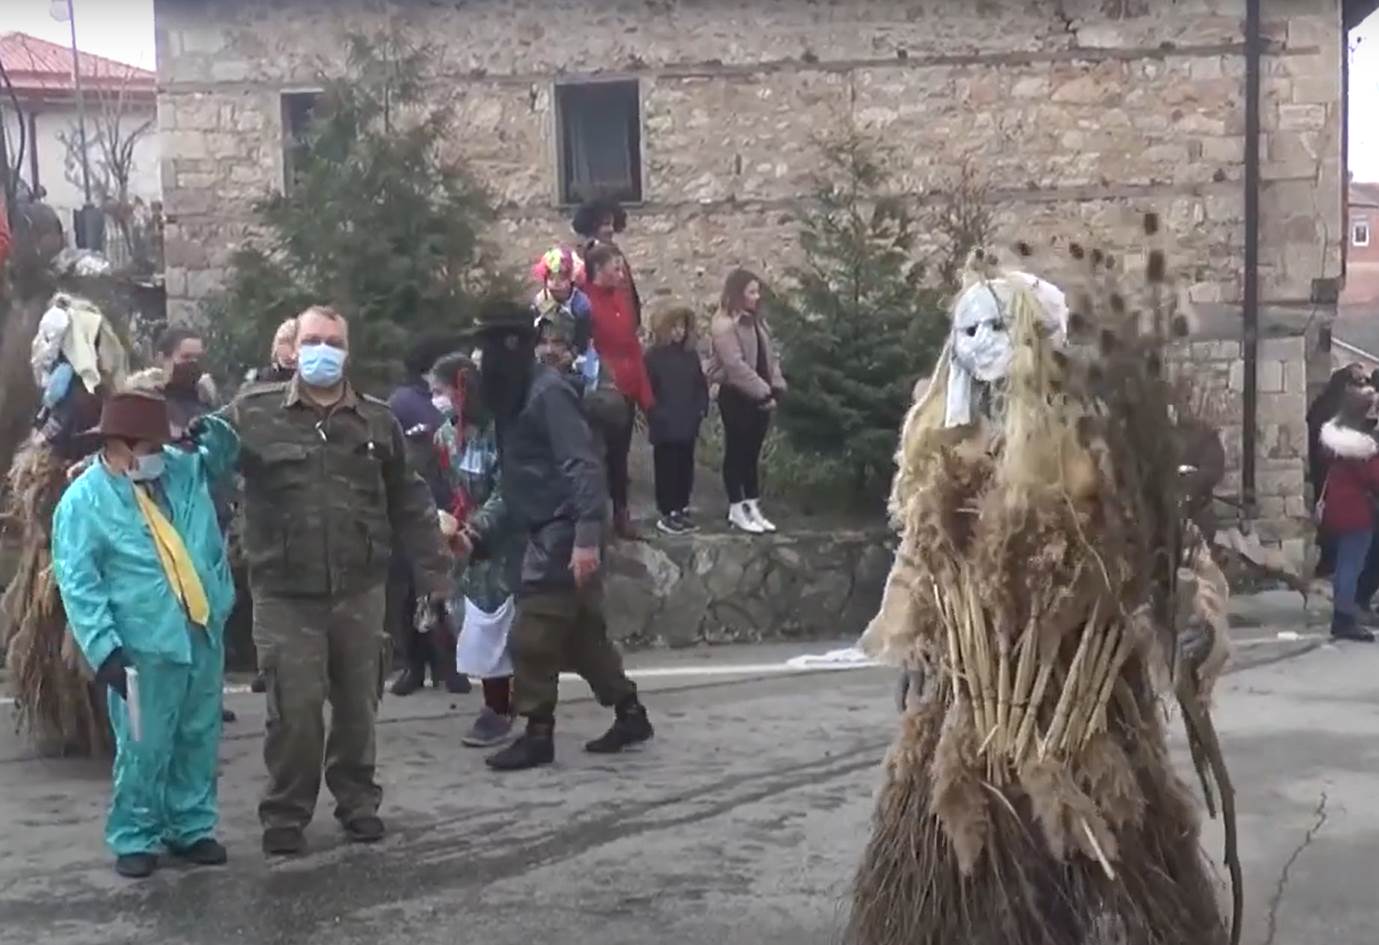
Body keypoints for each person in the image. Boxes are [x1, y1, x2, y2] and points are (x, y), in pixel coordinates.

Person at [222, 305, 452, 855]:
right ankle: (285, 812)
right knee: (294, 712)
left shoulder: (376, 421)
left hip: (359, 588)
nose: (322, 350)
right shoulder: (251, 414)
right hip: (284, 592)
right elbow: (199, 463)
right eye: (312, 340)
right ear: (293, 349)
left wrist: (434, 573)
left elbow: (410, 500)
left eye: (333, 341)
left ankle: (357, 803)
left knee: (357, 708)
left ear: (347, 352)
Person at [51, 391, 240, 878]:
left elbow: (222, 456)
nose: (159, 453)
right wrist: (104, 648)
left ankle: (191, 827)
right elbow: (78, 581)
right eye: (150, 445)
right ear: (120, 444)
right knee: (144, 744)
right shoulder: (83, 501)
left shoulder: (180, 470)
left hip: (200, 627)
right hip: (142, 642)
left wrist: (209, 431)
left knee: (199, 735)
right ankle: (135, 835)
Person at [473, 302, 653, 772]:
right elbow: (518, 478)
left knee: (533, 635)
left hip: (564, 530)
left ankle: (538, 734)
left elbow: (582, 466)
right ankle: (630, 713)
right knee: (580, 637)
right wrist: (483, 533)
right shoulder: (513, 395)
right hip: (545, 526)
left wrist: (587, 539)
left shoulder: (546, 393)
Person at [431, 352, 522, 747]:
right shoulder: (446, 436)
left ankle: (503, 709)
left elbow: (508, 491)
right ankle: (499, 704)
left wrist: (478, 528)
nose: (438, 399)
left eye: (442, 391)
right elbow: (450, 487)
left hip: (504, 542)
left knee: (498, 626)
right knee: (477, 625)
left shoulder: (503, 434)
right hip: (466, 543)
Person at [385, 338, 463, 696]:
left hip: (444, 505)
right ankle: (414, 665)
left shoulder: (442, 402)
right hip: (411, 507)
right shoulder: (404, 403)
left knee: (439, 590)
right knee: (409, 592)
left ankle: (447, 665)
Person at [707, 269, 786, 535]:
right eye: (751, 292)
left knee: (752, 454)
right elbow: (735, 365)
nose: (756, 296)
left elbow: (769, 357)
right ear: (738, 294)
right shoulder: (724, 325)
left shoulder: (758, 323)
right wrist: (762, 391)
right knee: (736, 452)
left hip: (760, 396)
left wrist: (776, 387)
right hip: (737, 395)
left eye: (757, 291)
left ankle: (753, 504)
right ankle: (736, 506)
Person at [584, 243, 654, 539]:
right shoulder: (585, 303)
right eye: (616, 268)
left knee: (620, 455)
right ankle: (592, 517)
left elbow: (632, 346)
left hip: (625, 388)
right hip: (600, 389)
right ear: (599, 270)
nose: (621, 273)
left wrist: (644, 392)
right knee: (594, 455)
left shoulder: (622, 302)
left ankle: (621, 515)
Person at [1317, 386, 1379, 643]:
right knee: (1351, 566)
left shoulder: (1335, 439)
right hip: (1356, 511)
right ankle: (1344, 618)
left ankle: (1343, 614)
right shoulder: (1362, 448)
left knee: (1344, 564)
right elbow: (1375, 479)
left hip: (1336, 508)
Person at [645, 307, 709, 535]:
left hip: (687, 421)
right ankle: (667, 511)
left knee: (685, 468)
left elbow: (700, 384)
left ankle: (681, 507)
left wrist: (701, 408)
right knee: (667, 469)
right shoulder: (652, 356)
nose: (678, 332)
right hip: (665, 424)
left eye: (682, 326)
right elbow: (648, 391)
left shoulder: (690, 356)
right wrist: (656, 414)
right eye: (674, 327)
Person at [1307, 364, 1367, 579]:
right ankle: (1332, 563)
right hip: (1332, 473)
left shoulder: (1328, 405)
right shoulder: (1334, 408)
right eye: (1357, 383)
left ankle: (1332, 562)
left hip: (1333, 472)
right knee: (1336, 520)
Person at [572, 198, 641, 320]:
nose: (611, 229)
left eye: (613, 224)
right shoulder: (586, 255)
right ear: (593, 225)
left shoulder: (615, 252)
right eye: (606, 224)